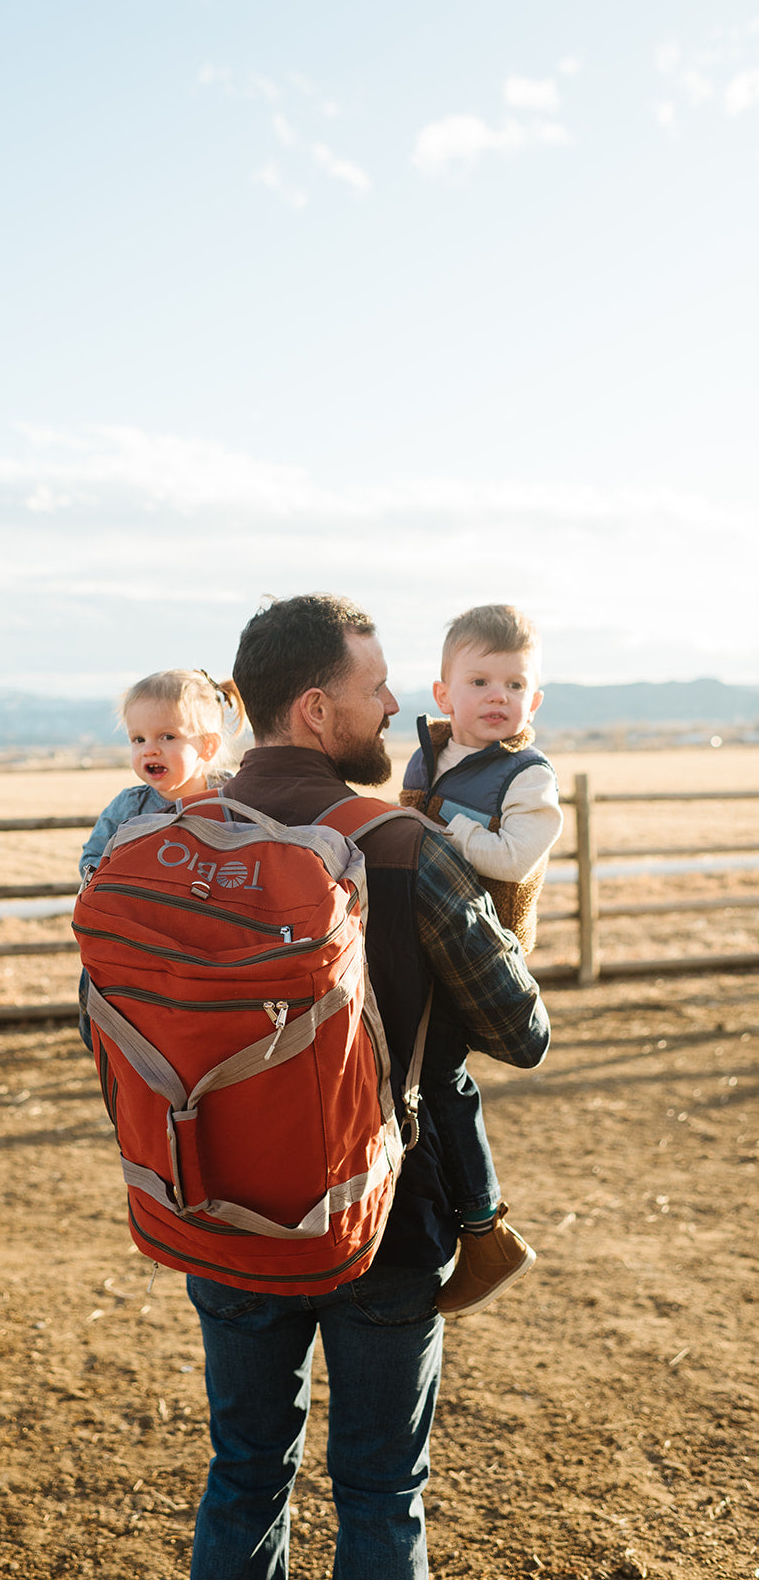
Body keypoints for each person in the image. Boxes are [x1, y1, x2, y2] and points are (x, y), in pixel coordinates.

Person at [186, 593, 551, 1580]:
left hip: (221, 1208)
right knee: (382, 1490)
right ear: (314, 711)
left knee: (244, 1471)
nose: (394, 704)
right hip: (381, 1220)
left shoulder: (178, 836)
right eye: (374, 685)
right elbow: (525, 1034)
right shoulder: (404, 847)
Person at [398, 605, 562, 1320]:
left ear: (535, 700)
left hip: (477, 946)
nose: (498, 696)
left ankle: (483, 1227)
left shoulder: (528, 775)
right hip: (419, 939)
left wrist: (440, 826)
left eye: (514, 683)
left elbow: (512, 855)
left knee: (440, 1073)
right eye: (480, 680)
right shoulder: (429, 752)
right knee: (407, 1066)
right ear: (444, 694)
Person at [77, 668, 244, 1046]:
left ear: (207, 746)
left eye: (167, 736)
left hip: (212, 942)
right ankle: (103, 1031)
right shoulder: (130, 807)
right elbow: (92, 859)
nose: (149, 749)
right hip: (141, 940)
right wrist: (101, 884)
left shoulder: (234, 802)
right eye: (138, 739)